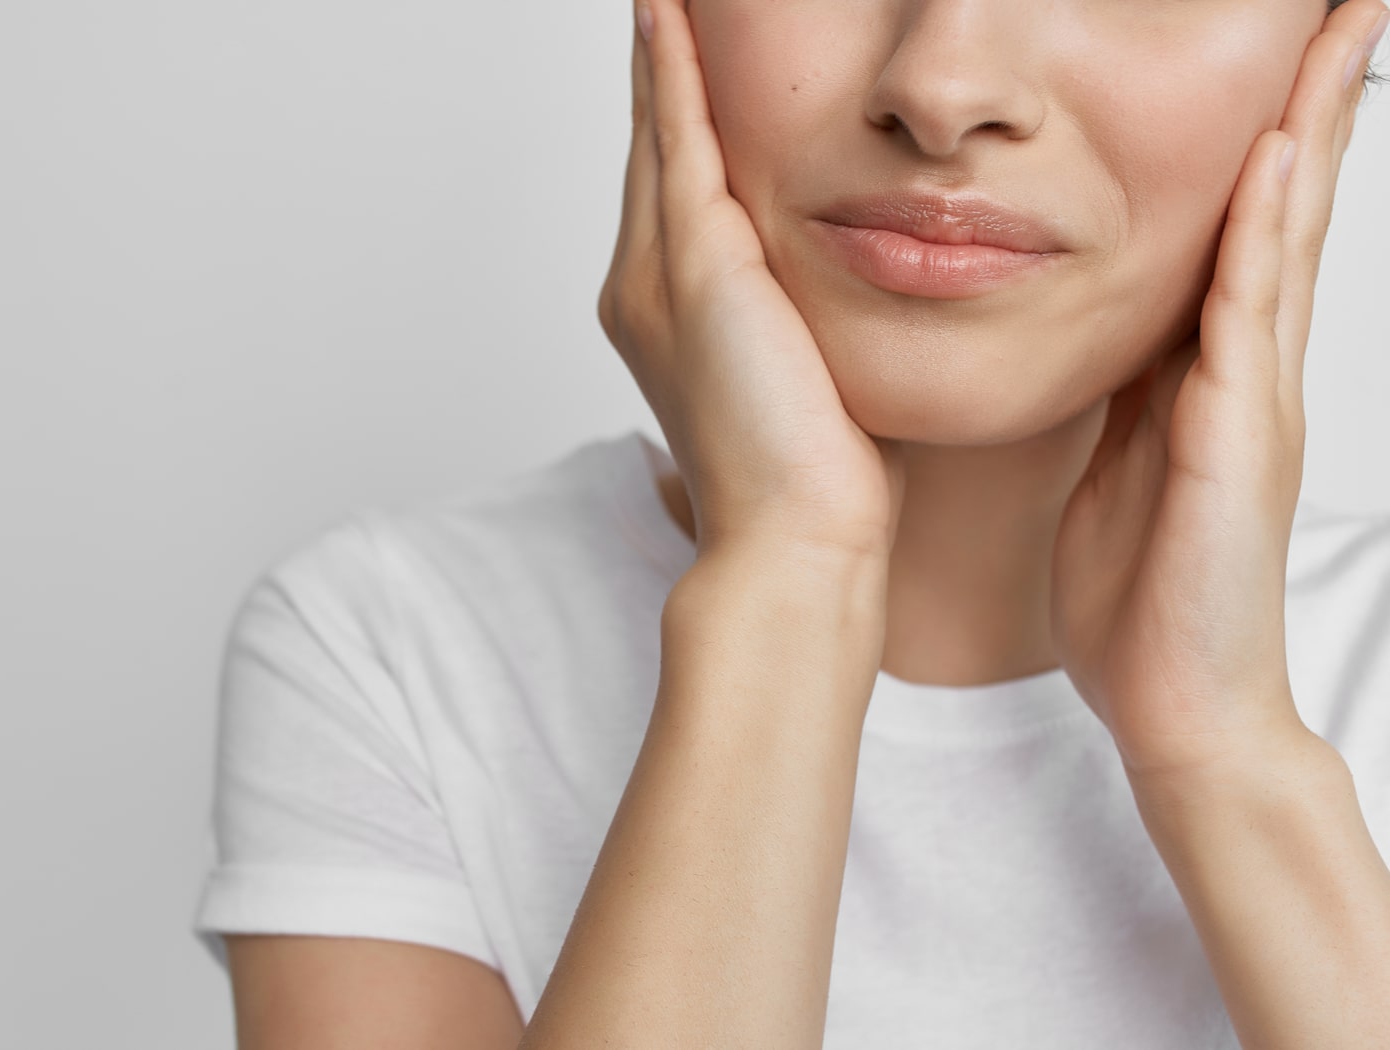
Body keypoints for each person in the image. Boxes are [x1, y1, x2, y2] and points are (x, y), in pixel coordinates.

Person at [191, 0, 1390, 1046]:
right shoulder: (397, 648)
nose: (942, 86)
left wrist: (1226, 756)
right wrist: (787, 580)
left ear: (1335, 50)